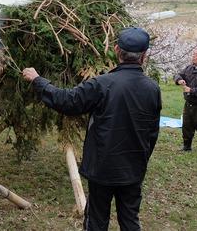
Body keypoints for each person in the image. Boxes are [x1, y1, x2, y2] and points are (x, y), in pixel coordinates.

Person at [21, 27, 161, 231]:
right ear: (144, 56)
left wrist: (37, 80)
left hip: (102, 168)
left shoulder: (102, 84)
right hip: (133, 168)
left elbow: (67, 102)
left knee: (96, 221)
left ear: (116, 50)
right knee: (130, 221)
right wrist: (140, 161)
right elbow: (152, 134)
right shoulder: (153, 89)